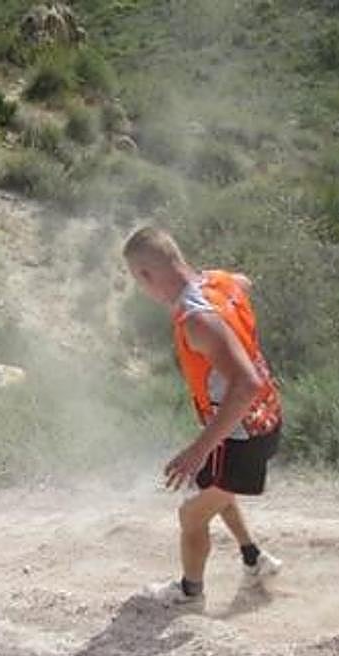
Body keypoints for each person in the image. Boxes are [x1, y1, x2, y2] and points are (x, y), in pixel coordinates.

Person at [122, 226, 284, 607]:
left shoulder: (197, 320)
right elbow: (245, 282)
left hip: (242, 434)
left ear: (146, 275)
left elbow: (243, 384)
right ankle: (254, 559)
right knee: (216, 489)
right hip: (259, 416)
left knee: (191, 516)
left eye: (137, 279)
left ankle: (190, 593)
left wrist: (198, 449)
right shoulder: (221, 282)